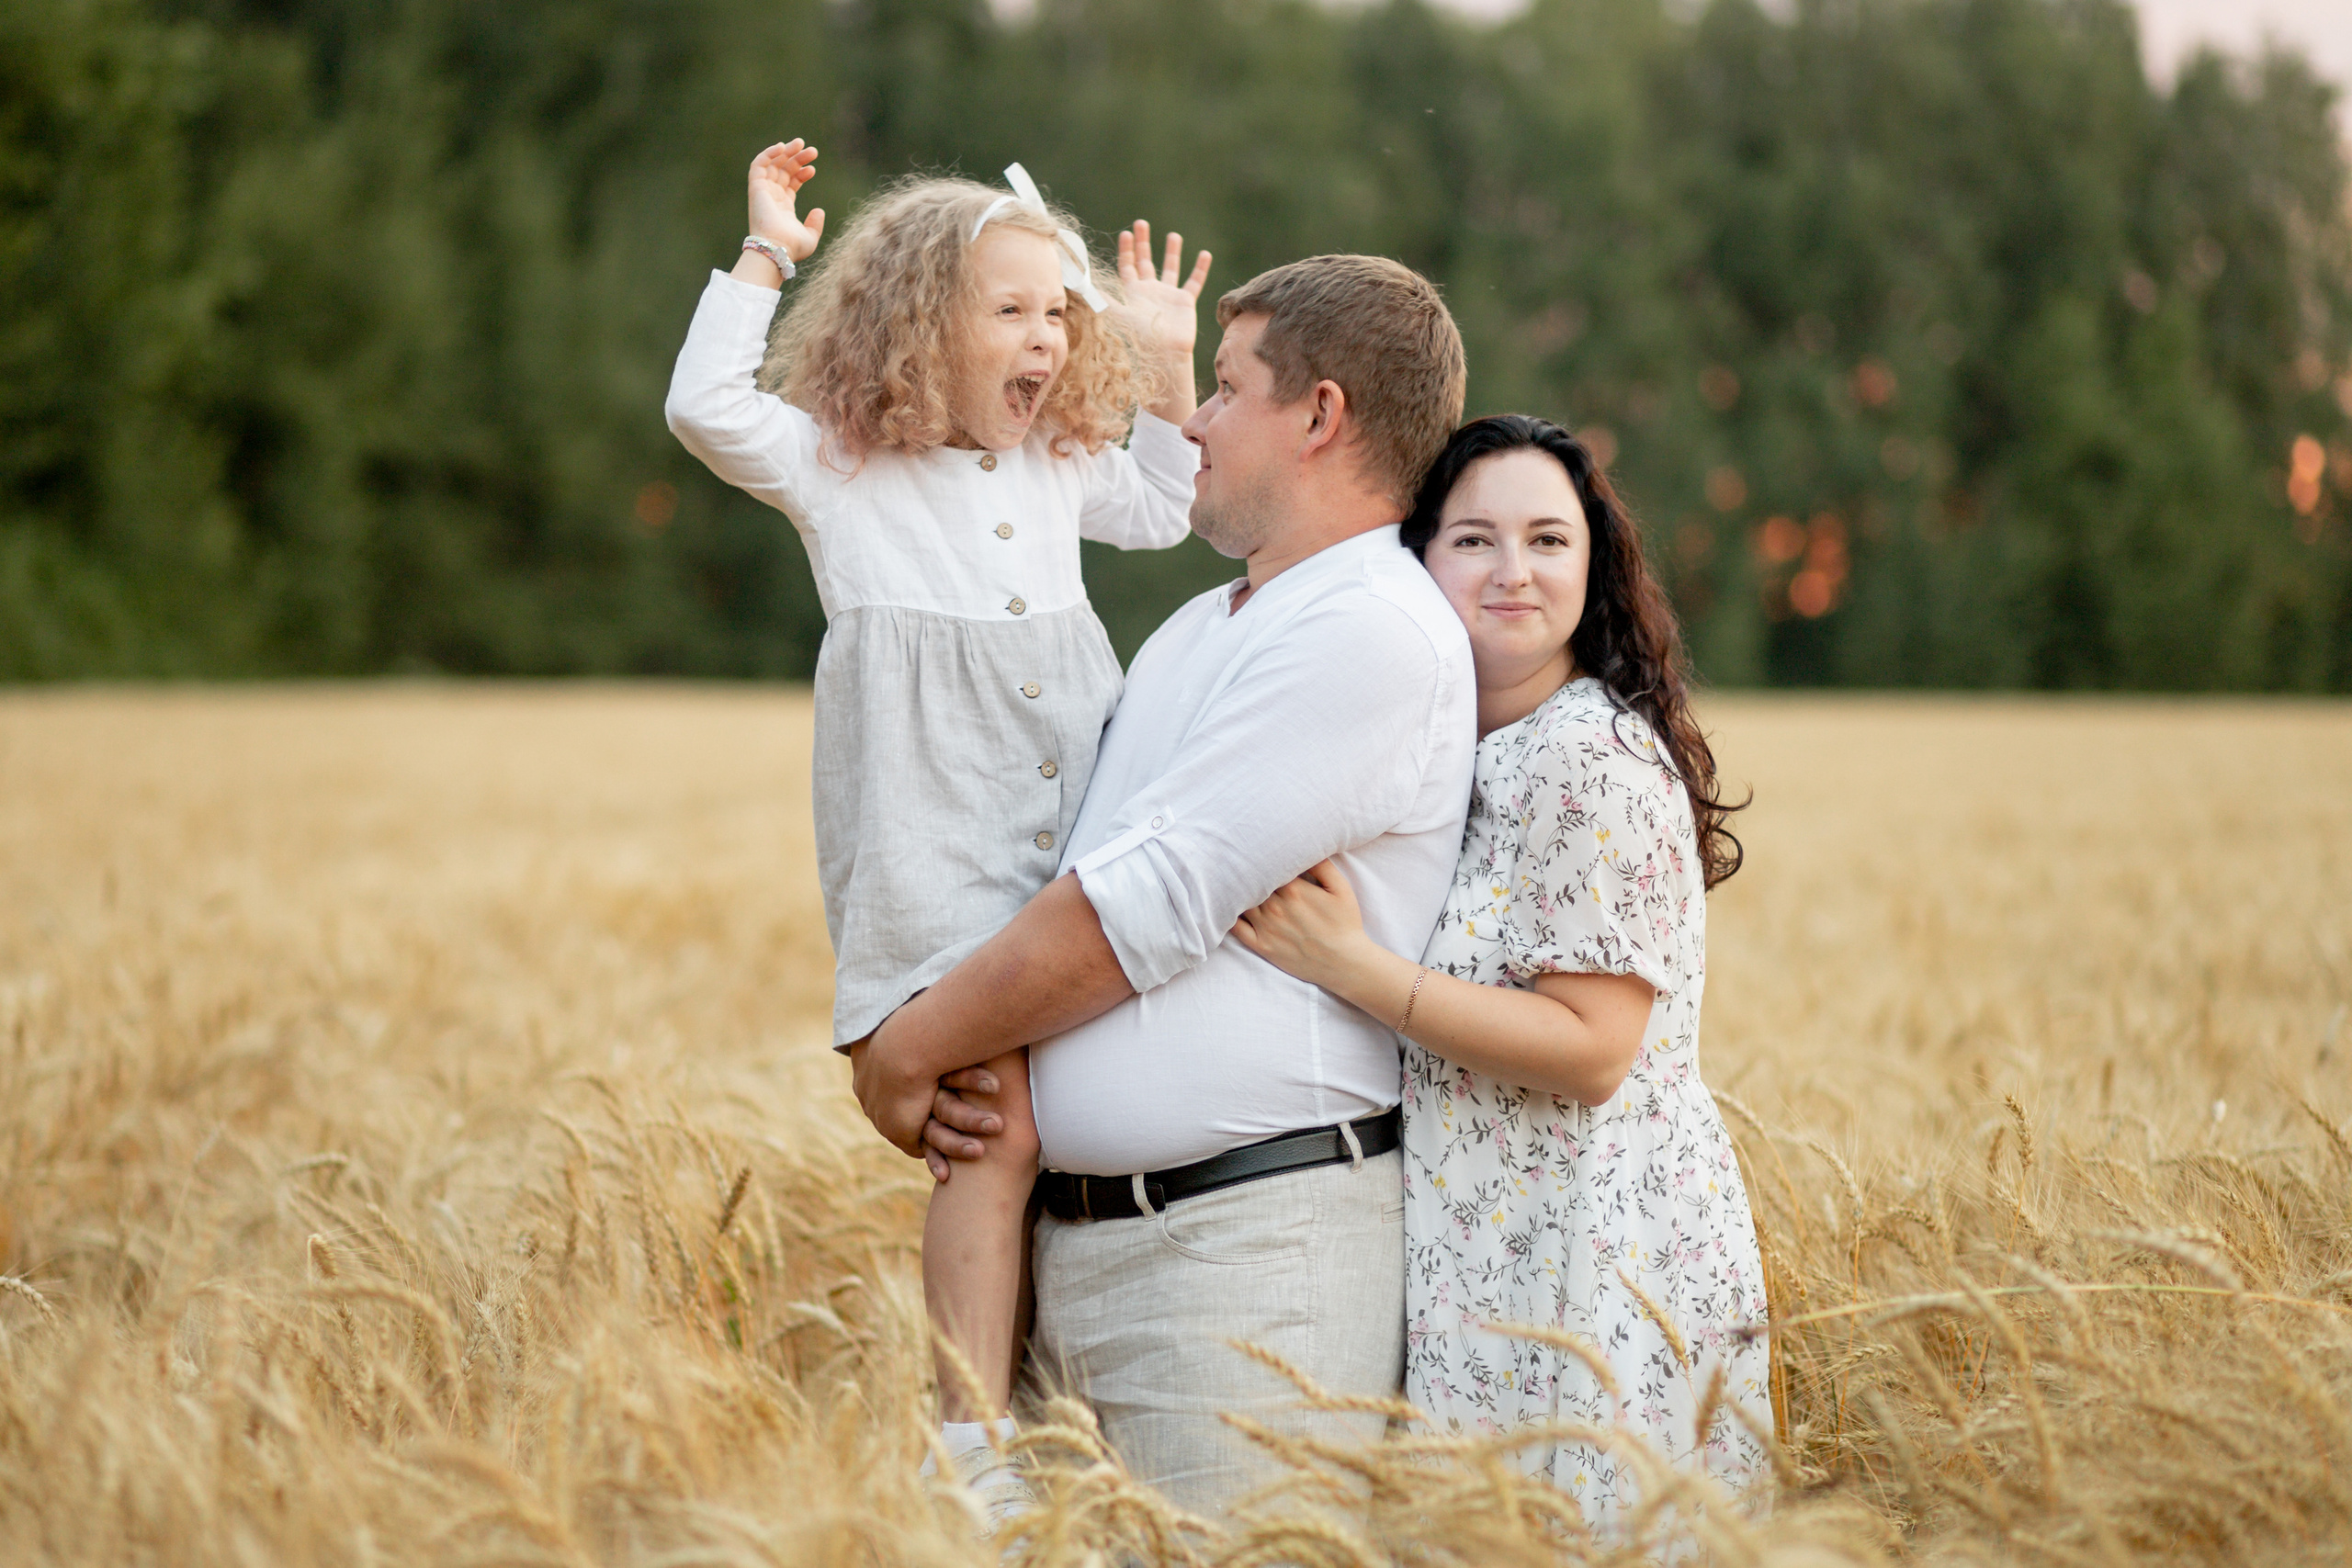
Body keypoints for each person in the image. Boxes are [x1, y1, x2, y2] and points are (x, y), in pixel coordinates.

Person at [853, 254, 1476, 1516]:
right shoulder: (1208, 625)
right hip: (1075, 1259)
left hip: (1247, 1272)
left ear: (1321, 414)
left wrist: (902, 1051)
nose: (1189, 414)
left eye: (1226, 387)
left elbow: (1132, 911)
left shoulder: (1370, 627)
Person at [662, 139, 1211, 1516]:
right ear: (921, 324)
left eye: (1058, 315)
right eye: (1011, 311)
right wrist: (765, 255)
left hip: (1076, 817)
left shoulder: (1061, 462)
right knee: (995, 1129)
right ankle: (968, 1440)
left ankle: (1067, 1407)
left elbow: (1173, 502)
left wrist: (1163, 363)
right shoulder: (843, 466)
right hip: (940, 841)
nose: (1044, 338)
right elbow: (702, 406)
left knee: (1079, 1106)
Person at [1229, 414, 1771, 1527]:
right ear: (1419, 558)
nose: (1513, 571)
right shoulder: (1462, 750)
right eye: (1474, 540)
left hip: (1594, 1252)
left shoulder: (1585, 757)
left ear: (1594, 566)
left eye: (1548, 541)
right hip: (1489, 1244)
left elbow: (1592, 1052)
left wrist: (1351, 966)